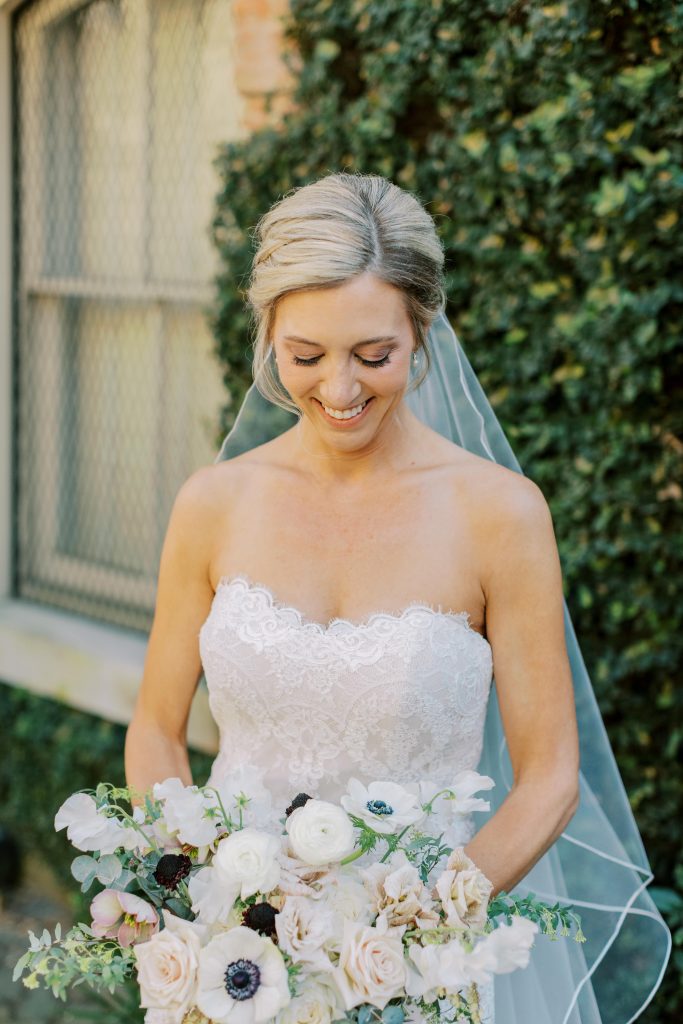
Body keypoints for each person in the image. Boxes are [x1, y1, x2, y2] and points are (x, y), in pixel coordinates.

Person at [125, 173, 669, 1023]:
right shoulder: (212, 503)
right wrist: (207, 896)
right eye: (305, 356)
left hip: (425, 966)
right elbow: (157, 729)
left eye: (372, 356)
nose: (339, 391)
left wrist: (414, 925)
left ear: (422, 331)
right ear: (267, 332)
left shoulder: (500, 515)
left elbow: (551, 775)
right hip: (240, 968)